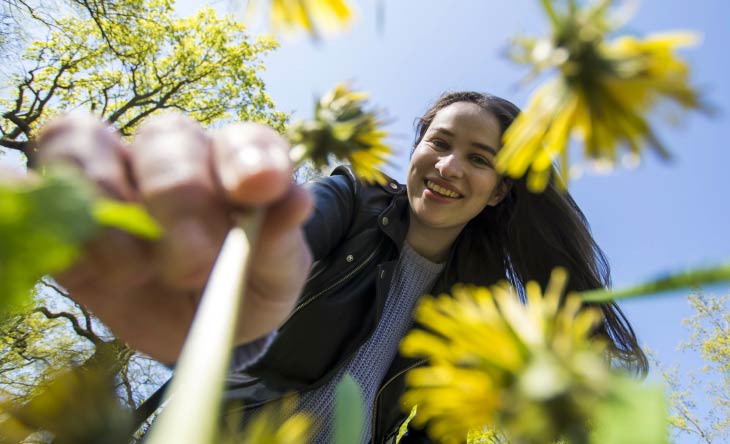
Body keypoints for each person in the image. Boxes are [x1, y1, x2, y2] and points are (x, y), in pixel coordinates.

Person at [37, 91, 648, 444]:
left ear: (498, 193)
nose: (448, 165)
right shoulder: (352, 199)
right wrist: (230, 248)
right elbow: (290, 234)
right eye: (437, 142)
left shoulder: (481, 307)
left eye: (479, 158)